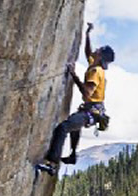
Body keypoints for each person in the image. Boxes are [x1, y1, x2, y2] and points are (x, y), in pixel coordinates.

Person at [39, 23, 114, 172]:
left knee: (63, 127)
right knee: (75, 125)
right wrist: (87, 35)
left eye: (98, 50)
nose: (96, 50)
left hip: (91, 111)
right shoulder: (96, 65)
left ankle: (52, 164)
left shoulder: (96, 71)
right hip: (92, 110)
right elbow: (88, 53)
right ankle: (72, 155)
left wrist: (74, 75)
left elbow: (87, 93)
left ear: (100, 56)